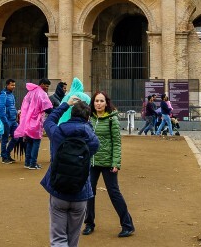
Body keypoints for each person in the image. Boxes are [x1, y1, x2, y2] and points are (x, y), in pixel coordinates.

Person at [42, 97, 100, 247]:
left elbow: (48, 121)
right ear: (87, 118)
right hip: (80, 192)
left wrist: (65, 105)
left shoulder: (58, 133)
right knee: (73, 239)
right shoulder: (92, 140)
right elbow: (93, 137)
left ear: (71, 114)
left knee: (58, 238)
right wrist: (88, 125)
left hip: (58, 189)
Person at [83, 92, 135, 238]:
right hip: (92, 162)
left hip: (108, 162)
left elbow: (117, 143)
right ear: (93, 103)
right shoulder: (89, 118)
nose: (98, 103)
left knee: (114, 193)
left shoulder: (112, 119)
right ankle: (89, 223)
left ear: (106, 103)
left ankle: (127, 225)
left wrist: (116, 163)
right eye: (96, 101)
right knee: (89, 193)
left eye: (101, 101)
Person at [16, 79, 54, 170]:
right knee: (36, 142)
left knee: (29, 142)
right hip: (36, 121)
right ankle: (33, 163)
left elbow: (25, 104)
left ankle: (27, 162)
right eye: (46, 86)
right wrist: (55, 112)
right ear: (41, 84)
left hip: (28, 120)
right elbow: (48, 108)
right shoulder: (42, 94)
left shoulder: (30, 92)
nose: (47, 88)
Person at [0, 79, 19, 164]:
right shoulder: (3, 95)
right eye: (12, 85)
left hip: (13, 120)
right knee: (5, 139)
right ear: (7, 85)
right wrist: (5, 121)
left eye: (14, 85)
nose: (13, 87)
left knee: (16, 137)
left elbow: (13, 106)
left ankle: (7, 153)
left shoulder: (12, 95)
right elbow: (1, 109)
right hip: (7, 120)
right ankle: (4, 157)